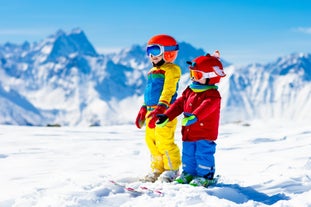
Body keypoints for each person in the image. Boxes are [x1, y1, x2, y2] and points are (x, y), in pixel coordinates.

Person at [156, 51, 226, 187]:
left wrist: (194, 117)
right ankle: (188, 173)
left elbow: (206, 107)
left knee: (202, 154)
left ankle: (205, 175)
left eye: (197, 75)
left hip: (204, 134)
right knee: (188, 154)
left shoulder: (212, 95)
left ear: (211, 77)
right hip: (188, 132)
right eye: (192, 74)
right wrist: (167, 115)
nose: (193, 78)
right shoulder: (190, 90)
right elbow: (179, 104)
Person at [135, 34, 181, 182]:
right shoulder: (152, 71)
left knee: (164, 140)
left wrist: (161, 108)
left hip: (164, 112)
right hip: (151, 111)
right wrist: (144, 108)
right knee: (152, 141)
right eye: (149, 51)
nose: (151, 56)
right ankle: (157, 168)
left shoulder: (171, 70)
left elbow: (169, 90)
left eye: (155, 50)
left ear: (168, 52)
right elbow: (150, 93)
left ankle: (171, 169)